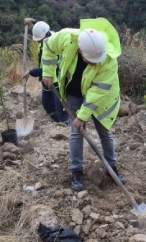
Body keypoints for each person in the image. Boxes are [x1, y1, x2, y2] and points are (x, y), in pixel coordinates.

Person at [41, 17, 125, 191]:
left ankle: (112, 167)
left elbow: (98, 92)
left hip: (102, 97)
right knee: (76, 132)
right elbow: (48, 47)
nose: (94, 62)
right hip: (74, 93)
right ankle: (76, 170)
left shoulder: (108, 58)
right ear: (80, 49)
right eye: (90, 59)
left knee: (104, 131)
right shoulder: (67, 37)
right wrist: (47, 72)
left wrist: (82, 116)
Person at [23, 18, 69, 124]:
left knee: (59, 107)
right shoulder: (48, 34)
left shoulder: (55, 46)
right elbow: (42, 26)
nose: (37, 41)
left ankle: (65, 123)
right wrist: (32, 21)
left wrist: (30, 72)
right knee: (46, 103)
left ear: (46, 36)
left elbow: (46, 69)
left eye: (39, 39)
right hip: (45, 79)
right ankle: (57, 121)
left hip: (55, 80)